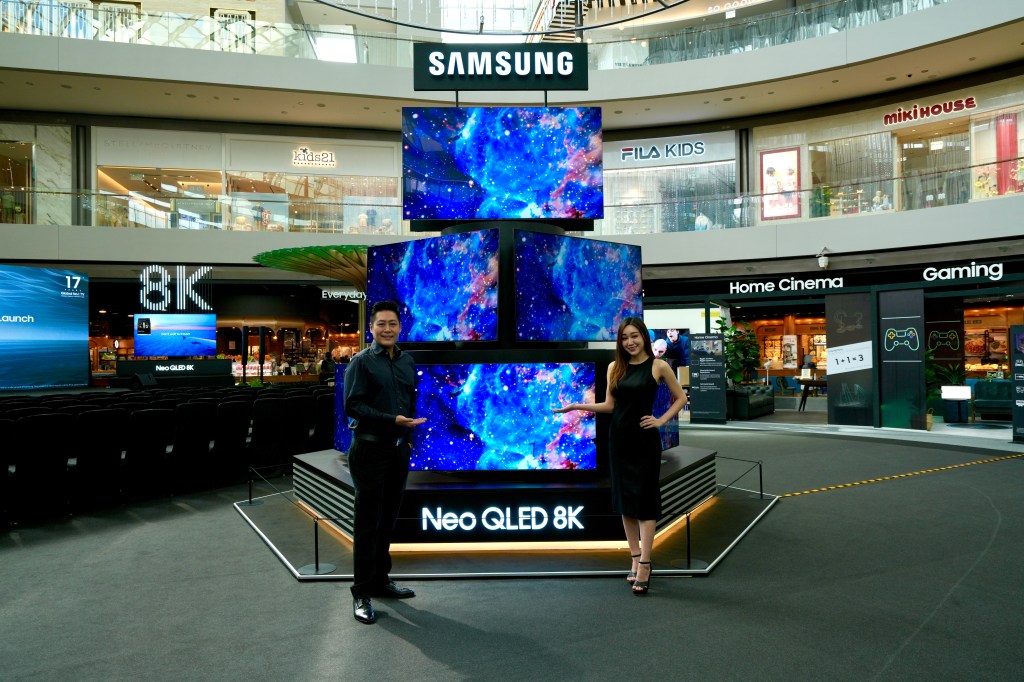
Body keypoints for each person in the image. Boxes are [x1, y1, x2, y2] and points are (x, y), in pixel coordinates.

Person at [553, 316, 687, 596]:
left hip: (645, 441)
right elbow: (610, 405)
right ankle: (634, 557)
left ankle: (646, 563)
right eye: (625, 337)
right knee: (625, 501)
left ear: (644, 337)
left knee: (645, 501)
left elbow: (681, 398)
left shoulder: (658, 366)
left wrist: (661, 421)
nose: (630, 342)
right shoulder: (615, 367)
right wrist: (577, 406)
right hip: (619, 440)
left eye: (634, 336)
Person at [343, 300, 426, 624]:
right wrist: (392, 420)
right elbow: (353, 406)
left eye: (392, 324)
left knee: (387, 520)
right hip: (369, 450)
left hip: (397, 451)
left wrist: (406, 436)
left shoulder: (407, 361)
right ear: (371, 328)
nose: (387, 329)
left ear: (400, 327)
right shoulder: (361, 362)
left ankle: (380, 580)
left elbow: (410, 401)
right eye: (381, 324)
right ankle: (361, 592)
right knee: (367, 524)